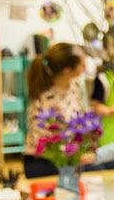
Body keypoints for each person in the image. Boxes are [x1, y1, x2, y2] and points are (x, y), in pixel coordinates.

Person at [23, 43, 86, 178]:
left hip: (68, 159)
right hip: (44, 162)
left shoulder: (75, 87)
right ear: (67, 70)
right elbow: (44, 137)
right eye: (82, 64)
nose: (85, 67)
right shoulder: (45, 96)